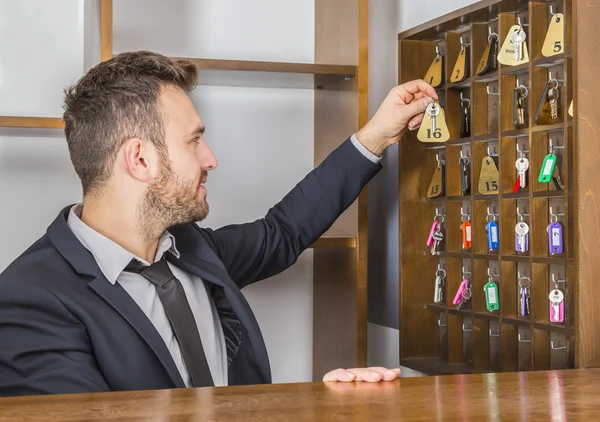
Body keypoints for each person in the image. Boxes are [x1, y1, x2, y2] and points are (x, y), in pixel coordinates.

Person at [0, 51, 437, 396]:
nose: (211, 159)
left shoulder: (193, 249)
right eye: (194, 140)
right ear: (139, 159)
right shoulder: (30, 300)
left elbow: (282, 232)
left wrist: (377, 135)